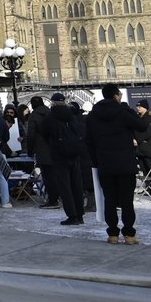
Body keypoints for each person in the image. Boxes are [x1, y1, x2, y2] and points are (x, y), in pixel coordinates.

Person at [86, 84, 145, 244]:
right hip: (125, 162)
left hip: (105, 162)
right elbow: (142, 126)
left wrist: (96, 160)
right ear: (116, 96)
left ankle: (112, 234)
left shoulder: (93, 115)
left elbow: (88, 141)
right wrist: (128, 111)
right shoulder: (122, 112)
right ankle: (129, 234)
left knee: (109, 200)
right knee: (127, 201)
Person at [41, 94, 86, 225]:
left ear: (53, 103)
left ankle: (72, 215)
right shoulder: (71, 116)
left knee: (64, 186)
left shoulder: (50, 118)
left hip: (59, 155)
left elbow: (44, 134)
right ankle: (80, 214)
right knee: (76, 185)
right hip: (75, 153)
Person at [133, 100, 151, 196]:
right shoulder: (138, 118)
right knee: (144, 170)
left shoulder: (150, 119)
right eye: (137, 106)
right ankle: (149, 189)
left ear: (145, 107)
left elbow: (149, 133)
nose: (138, 108)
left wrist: (138, 139)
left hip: (148, 149)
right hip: (139, 149)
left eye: (140, 106)